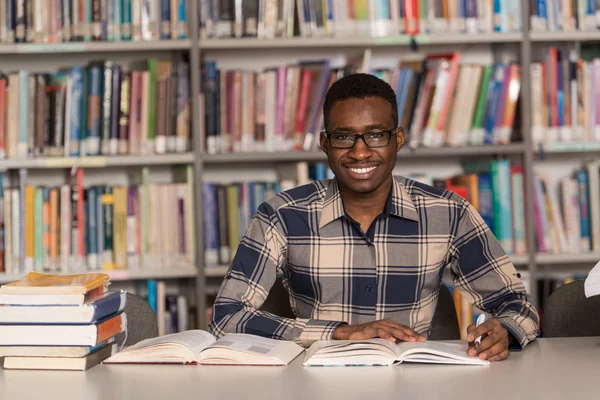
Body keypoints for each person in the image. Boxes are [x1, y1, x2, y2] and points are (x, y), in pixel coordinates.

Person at [209, 73, 540, 362]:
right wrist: (342, 332)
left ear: (398, 140)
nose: (360, 151)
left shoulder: (449, 213)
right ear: (325, 144)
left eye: (376, 134)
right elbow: (226, 317)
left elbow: (519, 307)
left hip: (412, 381)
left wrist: (504, 332)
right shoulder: (281, 215)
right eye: (343, 136)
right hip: (313, 382)